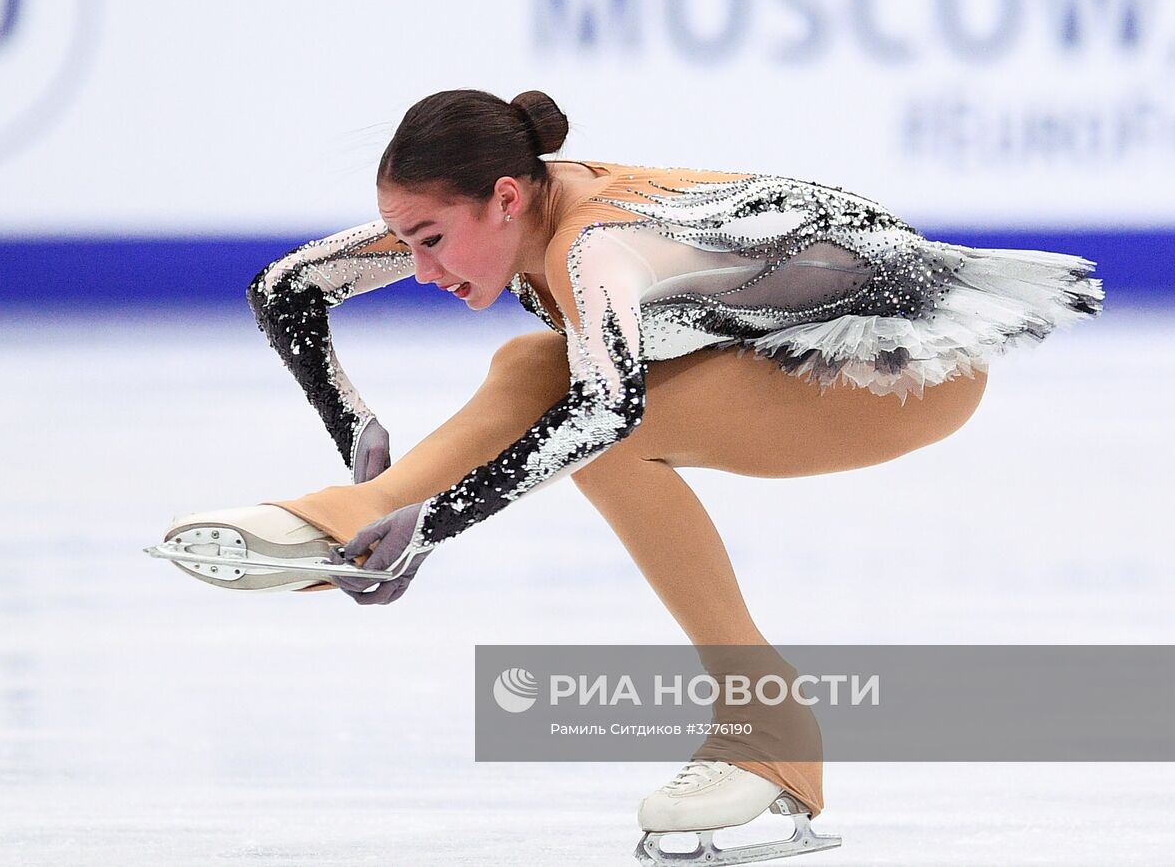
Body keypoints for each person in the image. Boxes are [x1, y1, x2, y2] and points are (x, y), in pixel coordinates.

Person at [148, 89, 1103, 864]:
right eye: (405, 242)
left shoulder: (591, 245)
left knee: (596, 421)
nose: (419, 267)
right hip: (792, 345)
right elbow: (287, 289)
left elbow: (607, 410)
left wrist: (430, 531)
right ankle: (354, 507)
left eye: (431, 239)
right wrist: (360, 433)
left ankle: (769, 724)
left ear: (508, 201)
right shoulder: (517, 199)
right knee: (531, 365)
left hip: (897, 370)